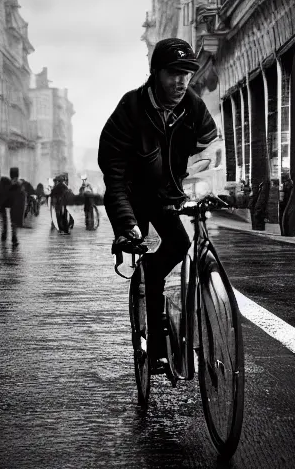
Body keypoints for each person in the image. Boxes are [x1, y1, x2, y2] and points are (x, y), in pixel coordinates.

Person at [98, 37, 217, 363]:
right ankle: (154, 346)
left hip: (166, 193)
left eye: (187, 74)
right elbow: (115, 177)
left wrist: (196, 181)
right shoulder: (131, 108)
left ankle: (151, 271)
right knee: (140, 239)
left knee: (179, 244)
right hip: (134, 195)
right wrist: (126, 225)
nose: (181, 82)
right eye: (173, 73)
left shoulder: (191, 104)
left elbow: (208, 140)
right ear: (156, 73)